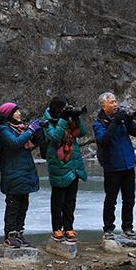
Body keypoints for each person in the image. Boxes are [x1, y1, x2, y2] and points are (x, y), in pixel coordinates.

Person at [92, 91, 136, 241]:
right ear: (103, 105)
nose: (115, 104)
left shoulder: (121, 119)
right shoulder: (98, 123)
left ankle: (127, 227)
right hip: (112, 166)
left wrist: (127, 120)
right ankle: (108, 229)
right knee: (111, 200)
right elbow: (103, 140)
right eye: (111, 102)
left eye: (115, 101)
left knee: (129, 199)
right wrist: (115, 122)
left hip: (128, 164)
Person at [42, 96, 87, 243]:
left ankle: (69, 227)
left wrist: (76, 117)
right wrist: (62, 119)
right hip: (59, 164)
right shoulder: (46, 121)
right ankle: (57, 228)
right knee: (58, 200)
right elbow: (55, 138)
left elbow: (81, 132)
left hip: (73, 164)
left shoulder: (68, 119)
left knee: (70, 200)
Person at [0, 102, 41, 248]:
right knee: (13, 205)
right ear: (9, 114)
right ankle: (10, 235)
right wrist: (30, 131)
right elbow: (14, 143)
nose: (20, 113)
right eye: (16, 111)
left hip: (25, 172)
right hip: (13, 173)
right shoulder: (3, 130)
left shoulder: (21, 129)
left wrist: (38, 131)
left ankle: (20, 233)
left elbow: (32, 144)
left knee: (23, 205)